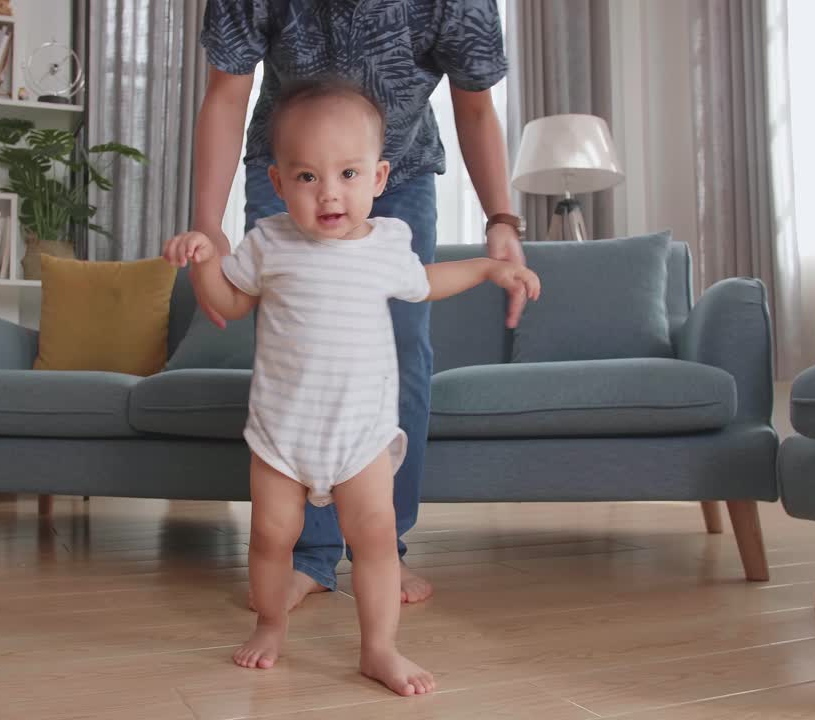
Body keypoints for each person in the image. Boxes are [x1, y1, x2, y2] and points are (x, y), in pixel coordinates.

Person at [163, 79, 540, 695]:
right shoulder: (268, 243)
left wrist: (489, 268)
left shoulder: (388, 243)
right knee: (269, 538)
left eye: (346, 173)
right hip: (283, 435)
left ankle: (379, 648)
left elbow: (426, 282)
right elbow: (227, 303)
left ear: (379, 177)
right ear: (279, 184)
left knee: (374, 543)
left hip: (360, 436)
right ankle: (269, 624)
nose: (329, 193)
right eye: (307, 177)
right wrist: (203, 256)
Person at [192, 0, 526, 611]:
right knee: (300, 348)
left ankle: (380, 545)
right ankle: (309, 559)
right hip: (290, 168)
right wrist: (206, 224)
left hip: (393, 173)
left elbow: (475, 104)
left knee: (402, 347)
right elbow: (226, 91)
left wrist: (500, 219)